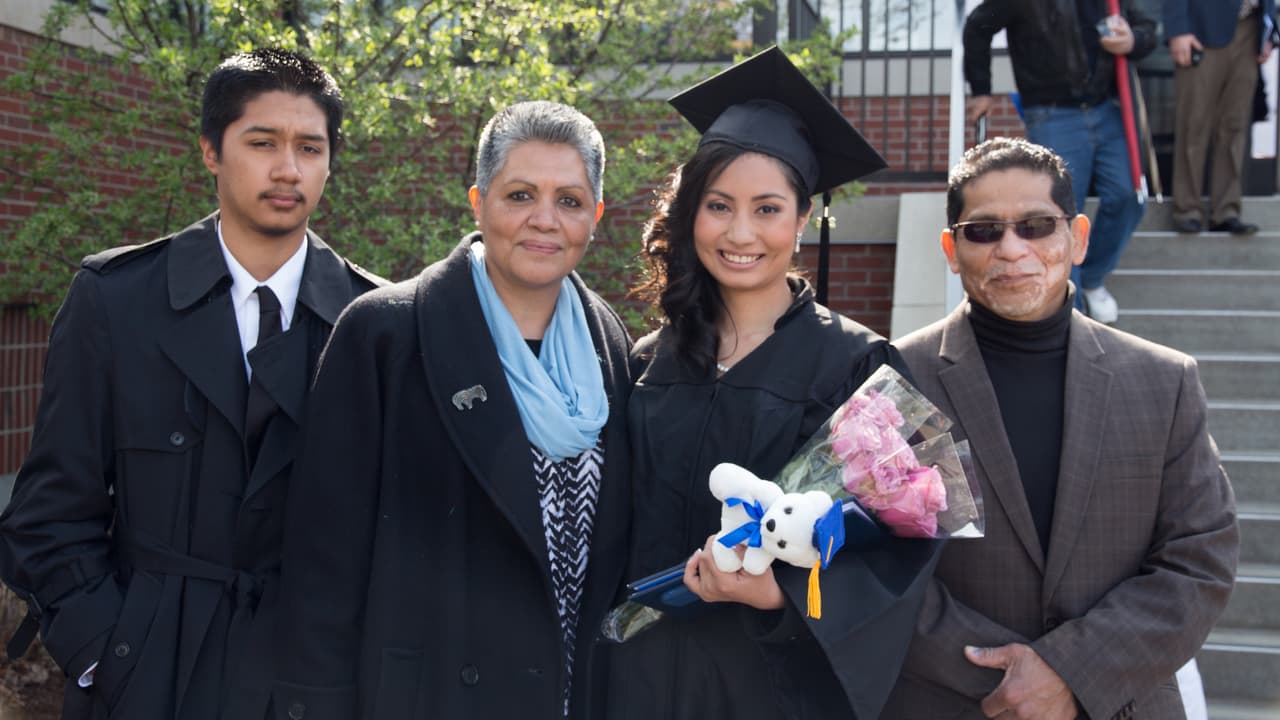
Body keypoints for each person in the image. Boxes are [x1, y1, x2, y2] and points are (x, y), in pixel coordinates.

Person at [0, 48, 384, 719]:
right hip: (148, 678)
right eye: (262, 142)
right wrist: (106, 651)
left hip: (312, 684)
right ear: (211, 150)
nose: (288, 168)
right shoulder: (115, 301)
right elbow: (49, 514)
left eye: (310, 147)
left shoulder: (374, 320)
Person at [607, 47, 941, 720]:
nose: (739, 233)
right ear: (689, 213)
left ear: (804, 216)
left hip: (771, 691)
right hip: (635, 684)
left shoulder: (857, 368)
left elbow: (911, 548)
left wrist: (778, 596)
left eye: (766, 209)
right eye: (718, 205)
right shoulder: (646, 362)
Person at [272, 101, 632, 720]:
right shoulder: (386, 334)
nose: (544, 220)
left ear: (595, 216)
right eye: (520, 195)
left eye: (569, 201)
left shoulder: (611, 344)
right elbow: (321, 567)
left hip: (566, 693)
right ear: (478, 201)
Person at [884, 137, 1239, 719]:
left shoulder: (1163, 381)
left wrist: (1072, 673)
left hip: (1120, 703)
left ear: (1076, 238)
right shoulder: (900, 379)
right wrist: (1009, 681)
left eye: (1035, 226)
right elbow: (878, 568)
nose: (1012, 249)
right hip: (951, 703)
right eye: (984, 230)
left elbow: (1199, 558)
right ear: (952, 248)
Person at [963, 0, 1157, 324]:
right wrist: (981, 89)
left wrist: (1133, 39)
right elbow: (977, 26)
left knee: (1129, 196)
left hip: (1107, 108)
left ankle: (1092, 277)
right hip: (1052, 113)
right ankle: (1073, 315)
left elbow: (1147, 27)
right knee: (1060, 214)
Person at [1166, 0, 1277, 235]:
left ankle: (1226, 211)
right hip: (1202, 30)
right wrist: (1177, 29)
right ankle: (1187, 209)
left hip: (1250, 29)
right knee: (1194, 122)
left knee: (1234, 125)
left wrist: (1269, 31)